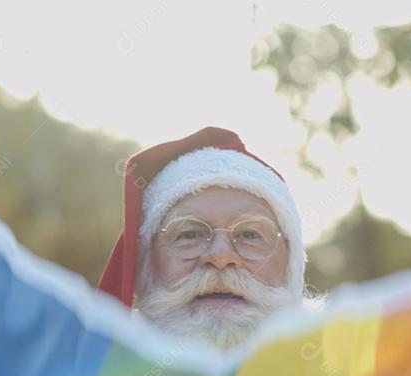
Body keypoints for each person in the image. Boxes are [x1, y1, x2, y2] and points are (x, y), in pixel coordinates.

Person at [97, 126, 311, 349]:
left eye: (249, 234)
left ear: (292, 265)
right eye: (188, 234)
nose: (220, 257)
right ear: (145, 264)